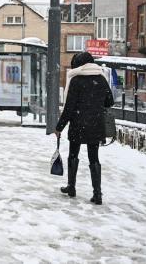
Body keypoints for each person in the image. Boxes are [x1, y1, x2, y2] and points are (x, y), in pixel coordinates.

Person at [55, 51, 114, 205]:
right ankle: (97, 194)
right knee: (94, 158)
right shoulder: (101, 79)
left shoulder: (76, 80)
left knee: (73, 154)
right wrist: (95, 103)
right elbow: (109, 101)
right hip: (95, 125)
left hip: (78, 124)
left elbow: (69, 108)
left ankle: (71, 187)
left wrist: (59, 127)